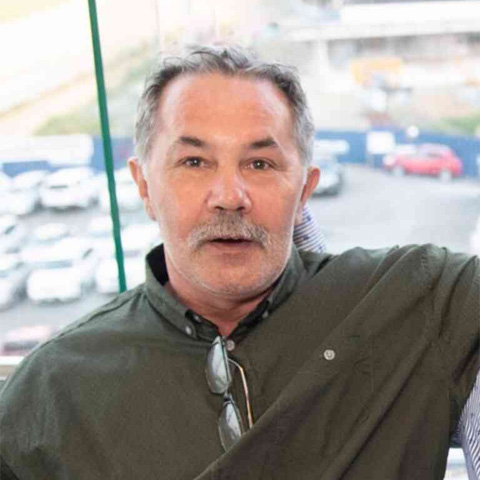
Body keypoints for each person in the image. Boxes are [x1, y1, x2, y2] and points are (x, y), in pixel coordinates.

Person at [0, 45, 478, 480]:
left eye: (260, 164)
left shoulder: (417, 300)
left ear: (305, 190)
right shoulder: (52, 390)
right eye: (194, 162)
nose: (229, 197)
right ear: (144, 186)